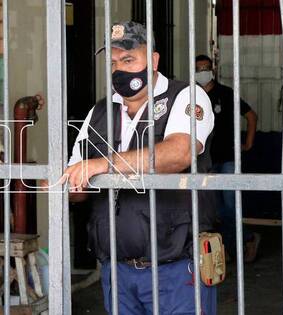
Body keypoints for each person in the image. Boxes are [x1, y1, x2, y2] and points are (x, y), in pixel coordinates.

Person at [62, 21, 217, 315]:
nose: (120, 68)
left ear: (154, 60)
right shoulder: (99, 112)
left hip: (177, 270)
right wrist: (64, 184)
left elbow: (180, 153)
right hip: (118, 272)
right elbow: (78, 185)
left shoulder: (185, 96)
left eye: (129, 59)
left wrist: (101, 165)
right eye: (114, 62)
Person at [194, 54, 260, 263]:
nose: (202, 72)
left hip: (229, 158)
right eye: (199, 69)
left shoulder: (226, 94)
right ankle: (239, 245)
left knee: (230, 205)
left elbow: (251, 116)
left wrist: (248, 143)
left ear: (212, 69)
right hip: (206, 161)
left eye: (206, 68)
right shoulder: (192, 96)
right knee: (217, 209)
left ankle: (244, 241)